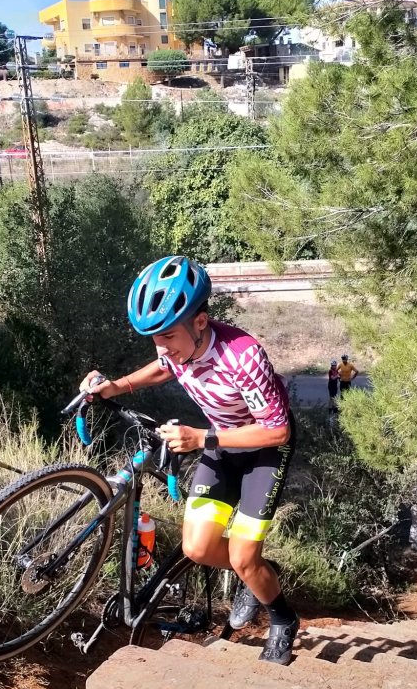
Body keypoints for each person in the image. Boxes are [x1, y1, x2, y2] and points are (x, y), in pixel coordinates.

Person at [81, 255, 299, 666]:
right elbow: (164, 368)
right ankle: (254, 574)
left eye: (168, 336)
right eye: (154, 339)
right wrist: (115, 387)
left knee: (242, 556)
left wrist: (201, 438)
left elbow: (278, 431)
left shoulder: (243, 356)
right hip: (221, 442)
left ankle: (283, 619)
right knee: (197, 548)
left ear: (200, 322)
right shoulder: (178, 347)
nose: (162, 348)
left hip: (264, 450)